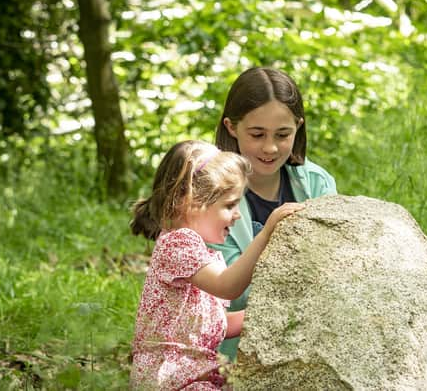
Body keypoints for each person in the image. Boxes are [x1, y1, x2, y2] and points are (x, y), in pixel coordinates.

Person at [129, 140, 303, 390]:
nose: (237, 214)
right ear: (189, 201)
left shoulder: (199, 254)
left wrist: (277, 314)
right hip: (170, 378)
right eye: (229, 205)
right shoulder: (178, 242)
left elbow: (219, 324)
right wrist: (265, 235)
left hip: (193, 375)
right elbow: (228, 285)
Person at [210, 67, 337, 361]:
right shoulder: (208, 192)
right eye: (257, 134)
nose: (270, 147)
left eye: (283, 134)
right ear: (231, 127)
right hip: (229, 354)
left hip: (310, 344)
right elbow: (226, 292)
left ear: (298, 127)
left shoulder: (318, 184)